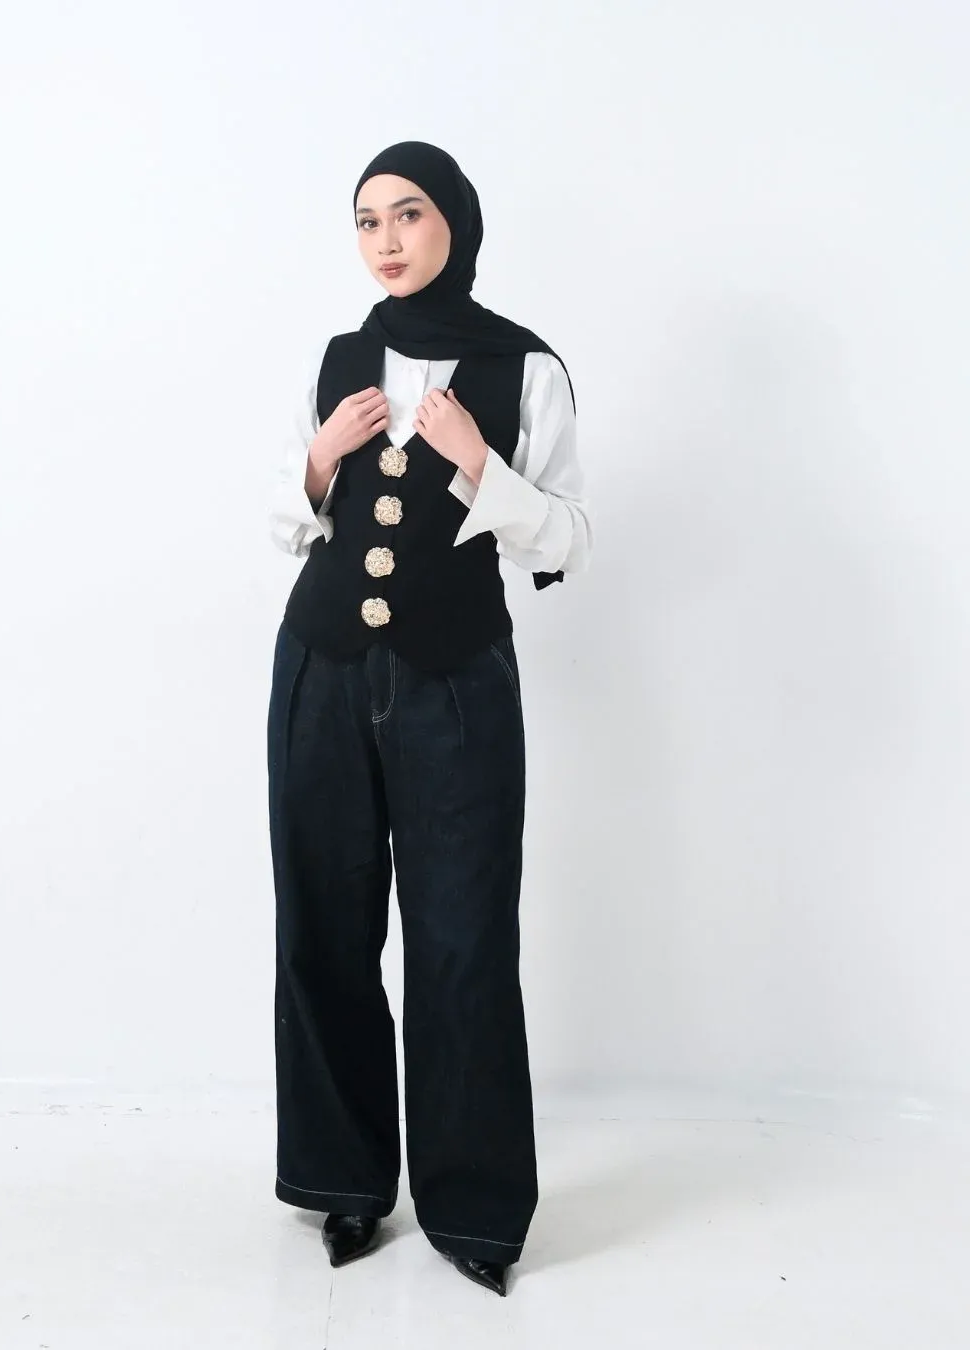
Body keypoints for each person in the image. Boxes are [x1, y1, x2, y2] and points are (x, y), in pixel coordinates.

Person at [265, 140, 592, 1297]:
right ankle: (343, 1182)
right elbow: (285, 522)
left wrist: (478, 467)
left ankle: (475, 1208)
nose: (387, 240)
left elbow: (567, 539)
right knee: (322, 926)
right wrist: (319, 461)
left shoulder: (525, 367)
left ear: (455, 219)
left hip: (455, 682)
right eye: (367, 221)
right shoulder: (341, 360)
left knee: (462, 941)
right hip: (322, 670)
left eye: (408, 214)